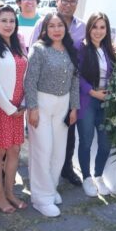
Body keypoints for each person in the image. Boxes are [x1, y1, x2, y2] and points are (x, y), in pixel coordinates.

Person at [25, 12, 80, 217]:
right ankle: (41, 198)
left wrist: (74, 107)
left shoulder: (69, 50)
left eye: (60, 25)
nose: (56, 29)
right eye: (52, 26)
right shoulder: (39, 50)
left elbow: (75, 80)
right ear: (45, 30)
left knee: (59, 152)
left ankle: (51, 188)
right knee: (43, 150)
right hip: (42, 103)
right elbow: (30, 80)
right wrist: (32, 108)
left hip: (63, 105)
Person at [31, 0, 86, 187]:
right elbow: (33, 60)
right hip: (44, 92)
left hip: (72, 88)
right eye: (64, 0)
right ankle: (42, 181)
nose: (67, 4)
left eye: (72, 1)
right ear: (57, 0)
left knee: (67, 133)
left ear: (77, 3)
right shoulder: (43, 24)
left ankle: (66, 169)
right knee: (44, 142)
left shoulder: (83, 27)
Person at [0, 6, 29, 213]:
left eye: (12, 20)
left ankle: (10, 192)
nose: (8, 25)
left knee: (14, 150)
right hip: (2, 107)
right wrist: (10, 108)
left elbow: (24, 77)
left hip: (19, 107)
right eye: (4, 20)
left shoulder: (17, 45)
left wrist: (24, 103)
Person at [77, 12, 116, 197]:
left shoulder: (108, 49)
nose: (98, 31)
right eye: (95, 27)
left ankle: (99, 175)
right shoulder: (81, 48)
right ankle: (86, 177)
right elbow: (76, 75)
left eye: (102, 27)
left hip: (107, 101)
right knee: (85, 141)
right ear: (89, 28)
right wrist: (93, 92)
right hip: (88, 100)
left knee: (105, 142)